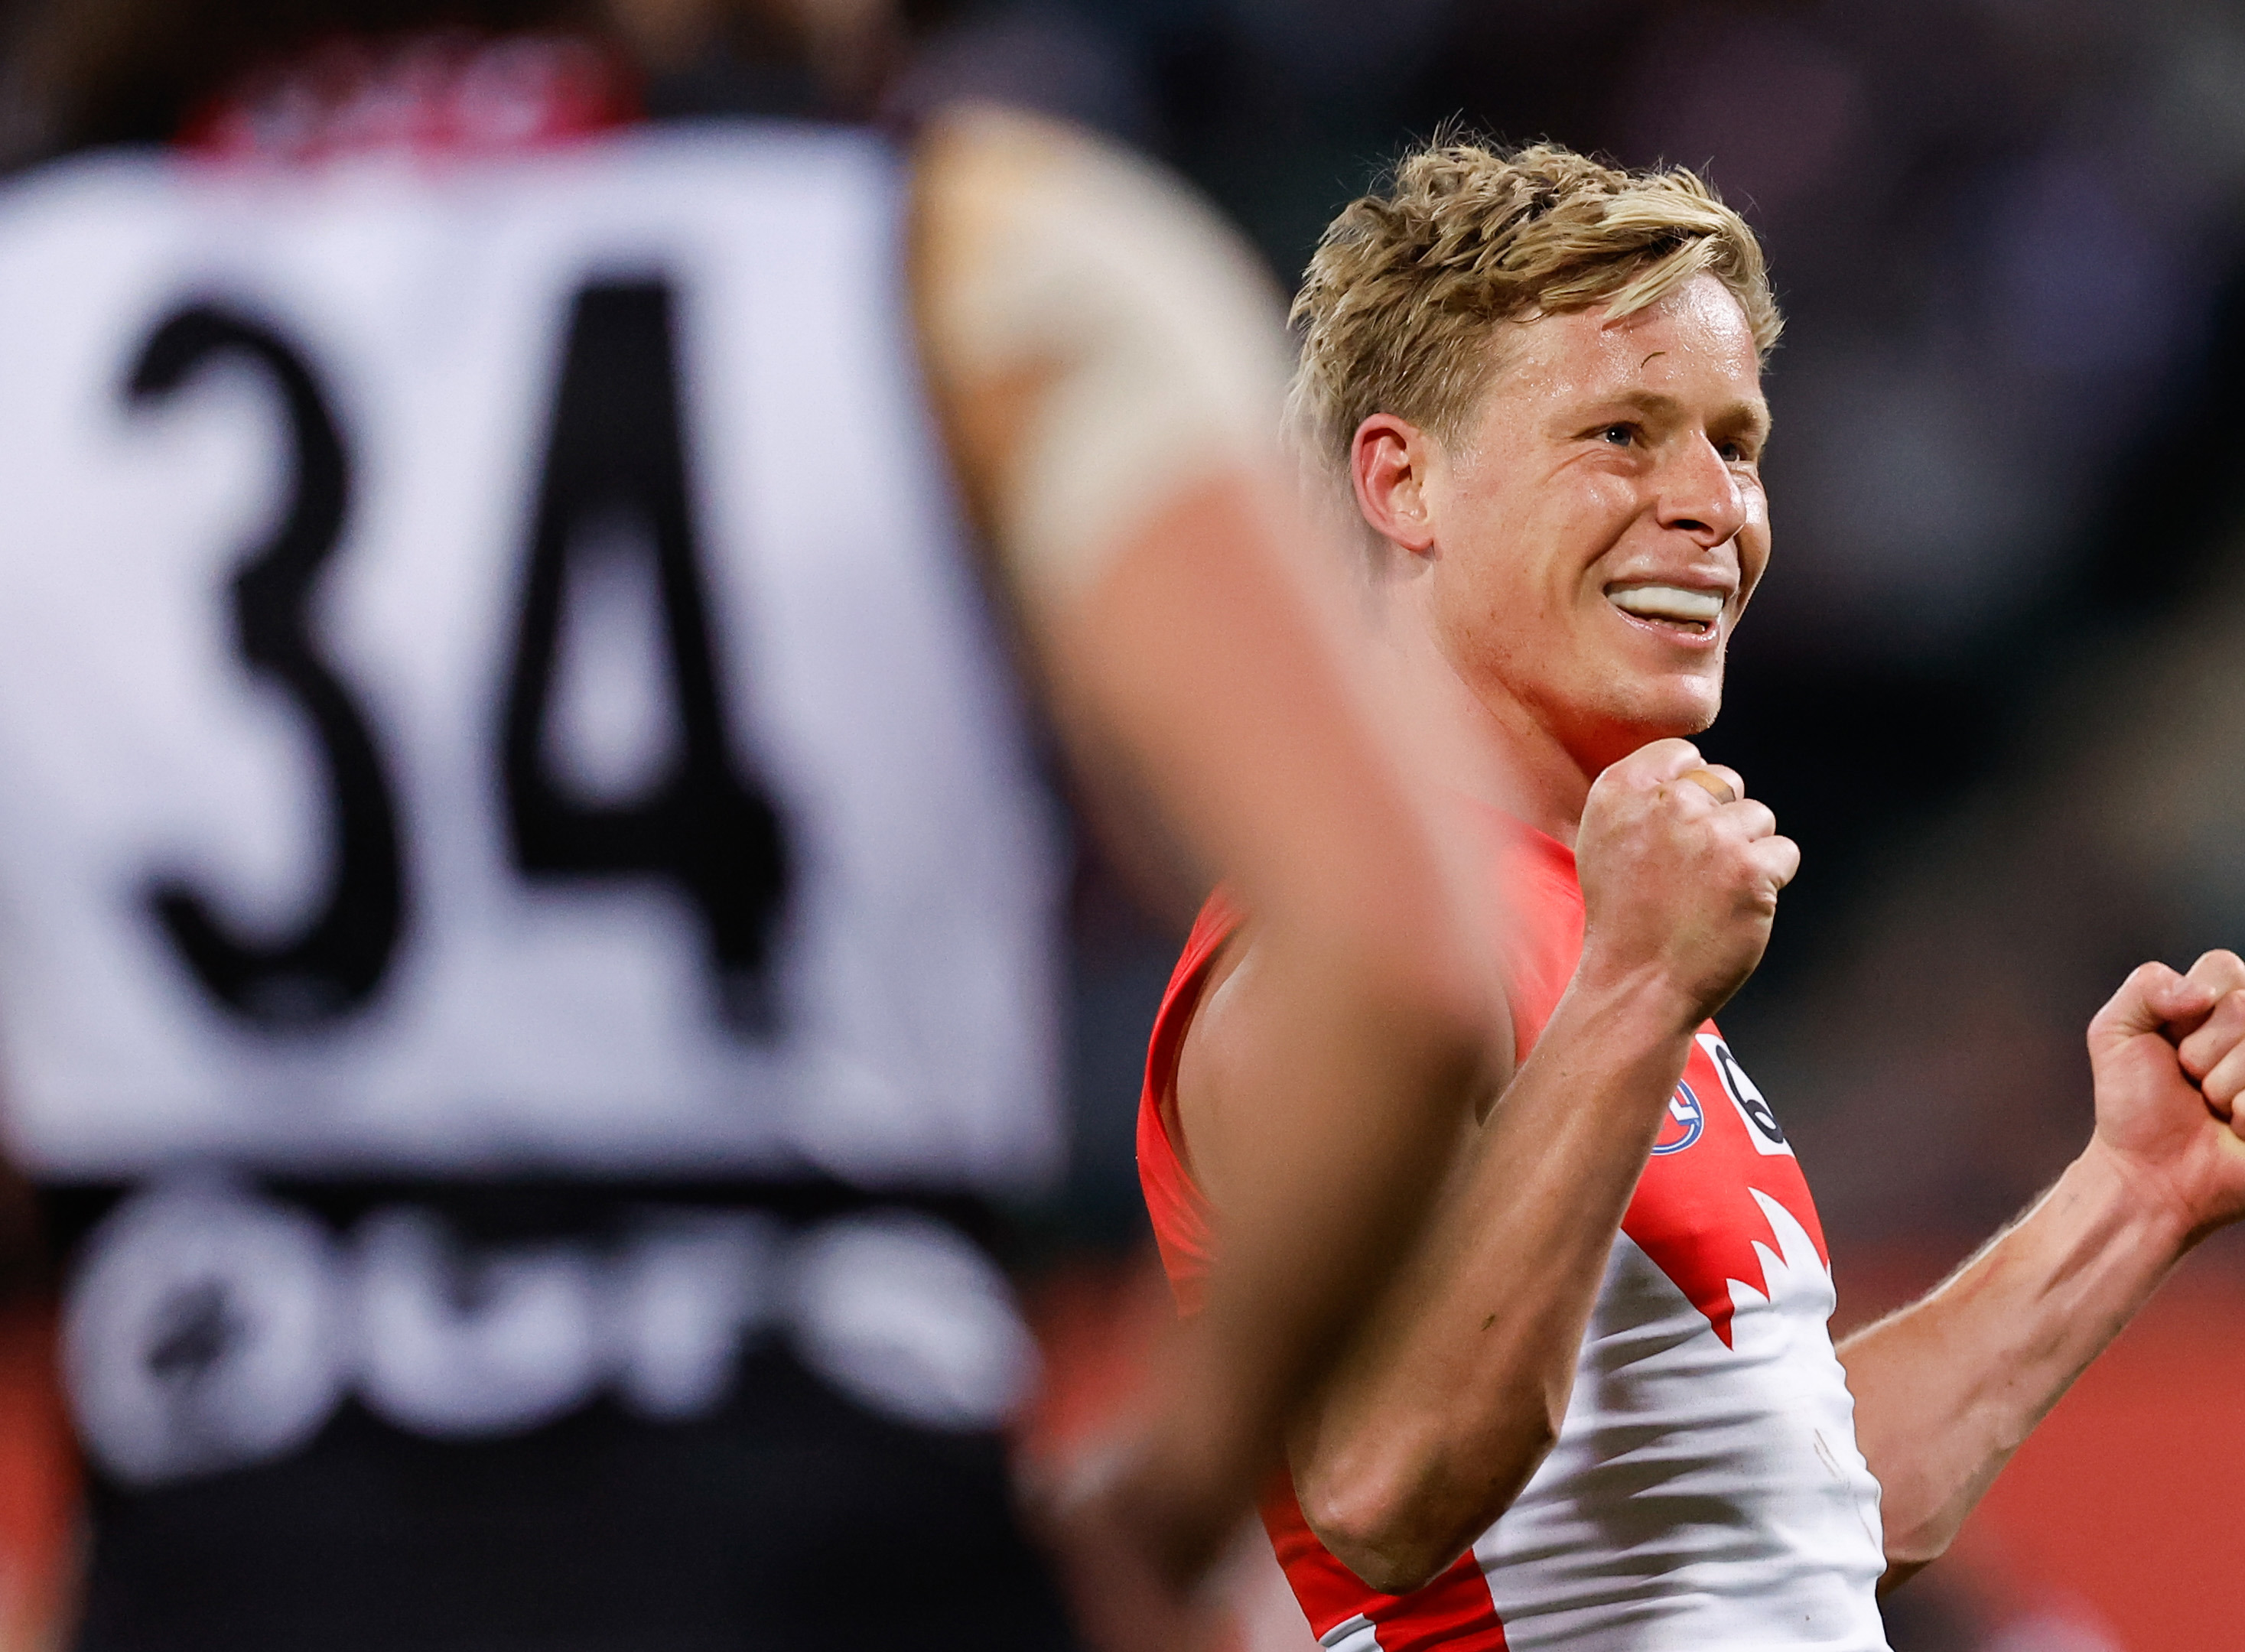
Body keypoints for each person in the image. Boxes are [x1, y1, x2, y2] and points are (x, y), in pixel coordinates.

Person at [0, 5, 1493, 1648]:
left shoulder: (39, 300)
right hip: (846, 1535)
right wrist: (1164, 1502)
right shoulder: (967, 249)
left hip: (234, 1544)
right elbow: (1396, 959)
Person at [1138, 140, 2245, 1650]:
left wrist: (2130, 1202)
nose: (1715, 505)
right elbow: (1381, 1486)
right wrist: (1636, 990)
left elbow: (1803, 1512)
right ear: (1402, 480)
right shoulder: (1343, 944)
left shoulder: (1598, 918)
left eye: (1737, 442)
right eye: (1622, 434)